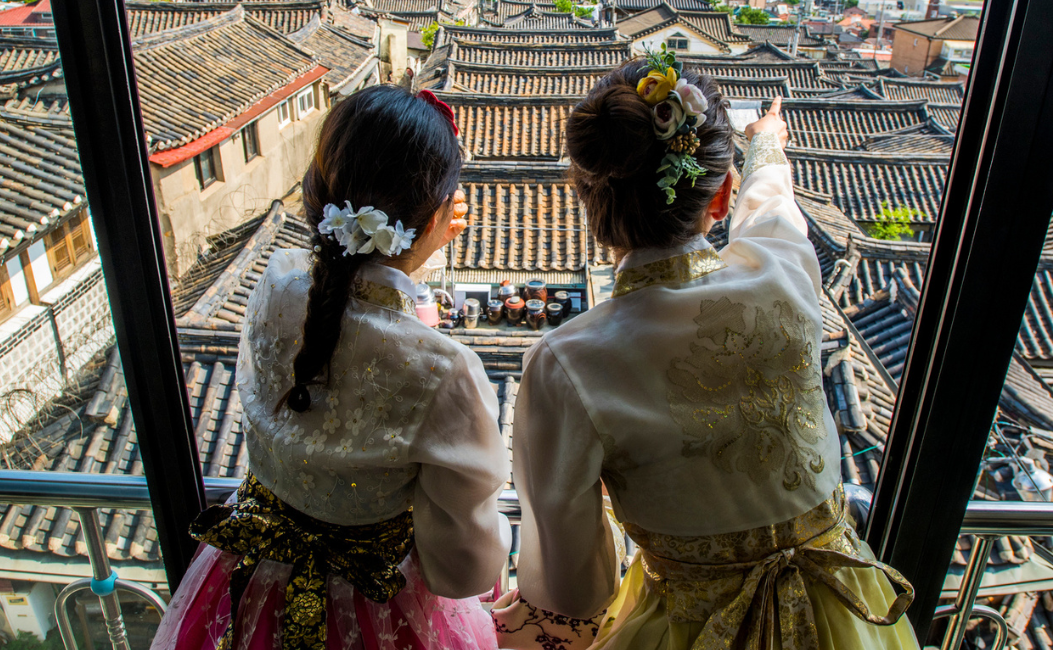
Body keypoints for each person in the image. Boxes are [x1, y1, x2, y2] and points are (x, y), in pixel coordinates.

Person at [495, 53, 920, 650]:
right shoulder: (786, 276)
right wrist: (767, 146)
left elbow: (572, 591)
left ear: (590, 206)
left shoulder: (570, 362)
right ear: (721, 197)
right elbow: (771, 213)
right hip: (846, 613)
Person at [154, 85, 510, 650]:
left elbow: (354, 317)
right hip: (376, 611)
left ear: (318, 194)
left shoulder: (276, 285)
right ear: (439, 214)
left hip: (248, 582)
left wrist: (412, 249)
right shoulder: (445, 370)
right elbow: (461, 571)